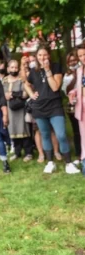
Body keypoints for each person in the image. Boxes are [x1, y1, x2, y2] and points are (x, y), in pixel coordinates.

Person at [24, 45, 79, 174]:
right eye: (39, 55)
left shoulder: (56, 67)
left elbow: (55, 87)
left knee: (61, 135)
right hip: (39, 108)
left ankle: (68, 163)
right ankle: (50, 162)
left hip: (55, 106)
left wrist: (48, 70)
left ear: (49, 55)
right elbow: (26, 84)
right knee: (45, 134)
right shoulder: (33, 71)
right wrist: (31, 94)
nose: (42, 58)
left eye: (44, 55)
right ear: (36, 57)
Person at [2, 60, 33, 162]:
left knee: (24, 129)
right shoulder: (4, 80)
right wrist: (5, 96)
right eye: (12, 67)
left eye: (16, 67)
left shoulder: (21, 79)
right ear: (8, 69)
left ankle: (28, 153)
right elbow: (2, 94)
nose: (14, 69)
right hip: (10, 110)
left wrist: (13, 94)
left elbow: (25, 94)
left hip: (21, 108)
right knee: (13, 129)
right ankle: (17, 152)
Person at [62, 51, 81, 164]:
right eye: (71, 60)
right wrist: (74, 77)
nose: (73, 62)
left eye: (75, 59)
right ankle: (79, 152)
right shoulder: (67, 75)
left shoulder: (82, 70)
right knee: (76, 130)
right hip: (72, 105)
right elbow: (66, 91)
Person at [69, 44, 85, 174]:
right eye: (80, 56)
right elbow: (80, 86)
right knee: (83, 135)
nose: (82, 58)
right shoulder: (79, 70)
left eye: (84, 54)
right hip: (81, 106)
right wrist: (73, 92)